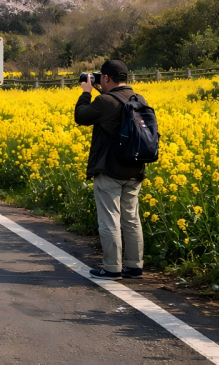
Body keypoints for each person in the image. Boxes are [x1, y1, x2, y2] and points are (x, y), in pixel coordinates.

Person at [74, 59, 144, 280]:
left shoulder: (105, 101)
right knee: (131, 218)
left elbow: (81, 116)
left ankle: (112, 268)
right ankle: (134, 266)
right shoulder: (139, 99)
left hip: (110, 170)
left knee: (109, 219)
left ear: (105, 78)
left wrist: (86, 92)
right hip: (135, 169)